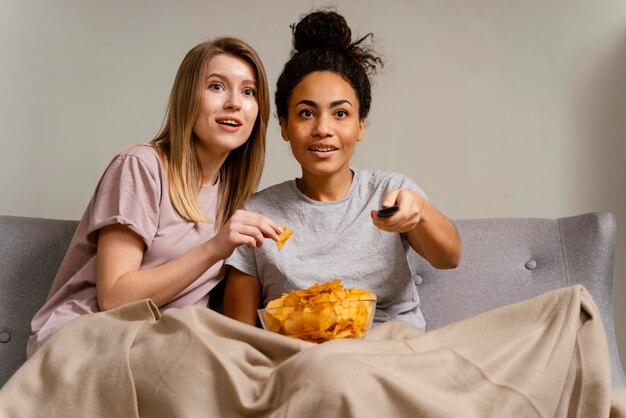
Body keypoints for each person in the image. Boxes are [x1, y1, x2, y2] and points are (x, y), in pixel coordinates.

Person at [26, 37, 283, 357]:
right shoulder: (141, 167)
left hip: (165, 346)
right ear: (188, 97)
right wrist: (214, 249)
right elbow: (114, 298)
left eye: (248, 91)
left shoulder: (233, 198)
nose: (234, 102)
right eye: (216, 87)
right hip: (90, 339)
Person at [223, 10, 462, 328]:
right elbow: (238, 334)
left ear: (361, 125)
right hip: (300, 357)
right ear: (284, 126)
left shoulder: (390, 193)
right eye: (306, 113)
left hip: (391, 349)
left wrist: (419, 211)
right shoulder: (258, 215)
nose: (323, 128)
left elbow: (449, 257)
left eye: (341, 113)